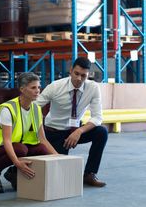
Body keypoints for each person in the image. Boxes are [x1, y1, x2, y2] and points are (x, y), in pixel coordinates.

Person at [0, 72, 58, 193]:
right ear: (22, 89)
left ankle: (13, 174)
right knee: (21, 150)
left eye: (38, 87)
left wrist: (58, 158)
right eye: (33, 88)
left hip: (16, 146)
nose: (37, 91)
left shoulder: (36, 109)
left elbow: (43, 139)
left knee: (41, 149)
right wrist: (17, 162)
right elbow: (6, 140)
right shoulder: (8, 109)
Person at [36, 57, 108, 187]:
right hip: (54, 132)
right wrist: (38, 128)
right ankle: (14, 171)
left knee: (101, 132)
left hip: (75, 131)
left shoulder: (93, 88)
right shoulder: (55, 86)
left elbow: (97, 117)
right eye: (76, 74)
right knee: (59, 178)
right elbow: (35, 106)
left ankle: (89, 174)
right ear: (70, 71)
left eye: (83, 76)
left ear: (88, 75)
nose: (79, 79)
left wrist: (79, 131)